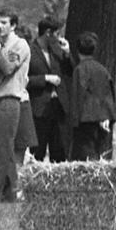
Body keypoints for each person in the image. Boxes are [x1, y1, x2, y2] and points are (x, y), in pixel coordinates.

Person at [0, 9, 31, 200]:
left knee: (1, 149)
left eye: (4, 23)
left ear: (13, 25)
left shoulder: (19, 45)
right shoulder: (0, 47)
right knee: (3, 148)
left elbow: (8, 68)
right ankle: (11, 192)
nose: (0, 26)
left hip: (8, 100)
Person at [27, 16, 72, 162]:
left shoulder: (57, 50)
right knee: (37, 152)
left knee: (59, 152)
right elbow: (24, 80)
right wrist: (45, 78)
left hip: (58, 107)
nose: (59, 37)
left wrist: (67, 53)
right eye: (57, 34)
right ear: (48, 33)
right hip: (39, 108)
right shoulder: (29, 51)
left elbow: (70, 72)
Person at [69, 31, 116, 161]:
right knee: (98, 153)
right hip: (102, 119)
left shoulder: (80, 70)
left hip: (84, 119)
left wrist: (73, 121)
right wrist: (107, 117)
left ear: (77, 50)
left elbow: (77, 95)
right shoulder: (102, 70)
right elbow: (109, 94)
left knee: (83, 155)